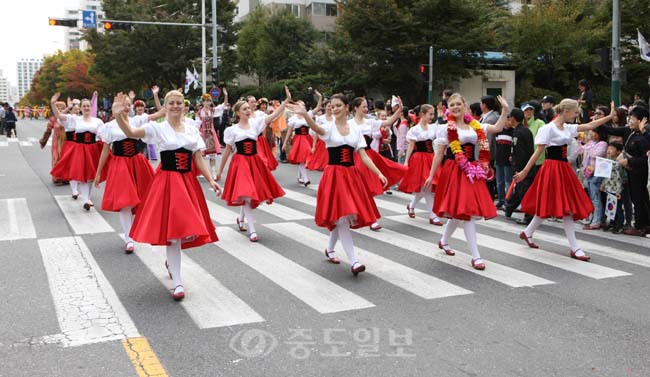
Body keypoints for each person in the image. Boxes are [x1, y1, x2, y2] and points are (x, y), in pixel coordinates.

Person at [113, 90, 220, 301]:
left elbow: (197, 157)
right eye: (171, 103)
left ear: (184, 105)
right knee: (173, 236)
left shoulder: (191, 128)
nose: (175, 106)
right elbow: (133, 133)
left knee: (181, 232)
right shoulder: (158, 128)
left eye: (179, 103)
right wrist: (119, 116)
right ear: (165, 105)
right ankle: (178, 283)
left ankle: (173, 267)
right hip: (167, 182)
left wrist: (211, 180)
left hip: (187, 183)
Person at [287, 95, 387, 276]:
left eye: (338, 105)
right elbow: (316, 128)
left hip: (351, 176)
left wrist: (378, 173)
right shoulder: (328, 128)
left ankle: (330, 249)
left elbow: (363, 155)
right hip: (334, 176)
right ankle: (354, 261)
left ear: (347, 107)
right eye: (332, 106)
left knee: (342, 217)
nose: (335, 109)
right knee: (342, 219)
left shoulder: (356, 130)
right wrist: (305, 115)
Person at [514, 99, 616, 262]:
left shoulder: (568, 128)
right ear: (566, 112)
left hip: (563, 169)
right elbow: (537, 152)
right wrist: (525, 171)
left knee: (560, 205)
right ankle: (575, 248)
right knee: (563, 207)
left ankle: (527, 232)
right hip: (552, 169)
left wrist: (609, 116)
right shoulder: (548, 129)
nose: (577, 115)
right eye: (575, 112)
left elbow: (590, 126)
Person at [424, 94, 510, 270]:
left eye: (458, 104)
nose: (455, 107)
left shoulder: (475, 125)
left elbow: (497, 128)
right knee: (466, 212)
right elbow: (439, 154)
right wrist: (431, 175)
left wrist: (505, 111)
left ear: (465, 106)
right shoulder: (445, 128)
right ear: (448, 108)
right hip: (454, 170)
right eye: (452, 105)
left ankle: (443, 241)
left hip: (472, 170)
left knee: (461, 212)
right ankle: (476, 256)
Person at [216, 88, 290, 242]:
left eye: (249, 108)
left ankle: (241, 219)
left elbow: (273, 115)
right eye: (244, 109)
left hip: (254, 162)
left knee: (248, 194)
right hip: (240, 162)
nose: (248, 110)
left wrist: (286, 101)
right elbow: (227, 151)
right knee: (247, 194)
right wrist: (219, 172)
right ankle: (253, 230)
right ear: (237, 113)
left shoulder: (255, 124)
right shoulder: (232, 130)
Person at [95, 96, 165, 253]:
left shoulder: (136, 121)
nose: (126, 107)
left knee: (141, 199)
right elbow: (106, 150)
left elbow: (161, 113)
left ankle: (135, 230)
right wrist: (98, 172)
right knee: (125, 202)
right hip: (120, 164)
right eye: (122, 105)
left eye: (128, 104)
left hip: (137, 162)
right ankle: (128, 237)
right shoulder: (109, 126)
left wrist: (157, 97)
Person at [349, 97, 408, 231]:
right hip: (354, 157)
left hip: (368, 156)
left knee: (366, 187)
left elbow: (388, 121)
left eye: (366, 106)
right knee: (358, 188)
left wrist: (399, 110)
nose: (366, 109)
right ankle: (360, 216)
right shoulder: (350, 123)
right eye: (363, 106)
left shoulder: (370, 122)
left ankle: (370, 218)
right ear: (355, 108)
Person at [50, 93, 104, 211]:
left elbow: (101, 134)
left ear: (91, 107)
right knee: (82, 176)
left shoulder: (97, 121)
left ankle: (87, 198)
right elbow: (59, 116)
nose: (86, 108)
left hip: (92, 149)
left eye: (88, 106)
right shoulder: (75, 119)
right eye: (84, 106)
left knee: (90, 176)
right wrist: (53, 103)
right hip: (80, 149)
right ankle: (85, 200)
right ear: (80, 108)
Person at [602, 106, 650, 236]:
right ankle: (644, 224)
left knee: (639, 199)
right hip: (631, 171)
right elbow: (609, 129)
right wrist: (604, 119)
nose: (629, 120)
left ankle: (641, 226)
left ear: (642, 120)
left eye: (633, 118)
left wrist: (629, 161)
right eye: (629, 117)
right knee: (637, 198)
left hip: (641, 172)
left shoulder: (646, 135)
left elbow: (646, 159)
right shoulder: (630, 131)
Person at [399, 105, 443, 225]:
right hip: (419, 159)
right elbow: (411, 146)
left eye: (433, 114)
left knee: (425, 188)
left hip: (431, 158)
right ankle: (433, 215)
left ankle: (411, 206)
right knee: (427, 188)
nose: (432, 117)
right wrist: (406, 161)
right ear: (422, 114)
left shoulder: (433, 127)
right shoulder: (415, 130)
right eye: (430, 114)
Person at [504, 108, 535, 219]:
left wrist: (519, 169)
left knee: (524, 191)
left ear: (512, 118)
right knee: (519, 190)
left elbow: (520, 153)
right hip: (527, 165)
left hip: (523, 167)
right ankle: (509, 207)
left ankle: (529, 216)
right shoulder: (525, 130)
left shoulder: (518, 132)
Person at [577, 126, 608, 230]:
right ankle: (598, 219)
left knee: (595, 198)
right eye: (592, 132)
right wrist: (579, 141)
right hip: (588, 172)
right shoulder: (591, 143)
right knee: (593, 197)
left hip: (597, 173)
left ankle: (596, 222)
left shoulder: (603, 144)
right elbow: (580, 151)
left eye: (595, 132)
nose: (592, 134)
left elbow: (597, 154)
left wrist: (588, 147)